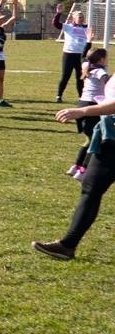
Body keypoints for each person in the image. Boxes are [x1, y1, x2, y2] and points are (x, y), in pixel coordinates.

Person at [33, 71, 115, 260]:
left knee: (91, 189)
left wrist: (82, 111)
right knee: (90, 188)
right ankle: (67, 245)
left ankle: (67, 245)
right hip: (109, 137)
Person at [67, 47, 108, 179]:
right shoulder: (99, 71)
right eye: (107, 57)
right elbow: (107, 80)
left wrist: (88, 42)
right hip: (92, 106)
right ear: (101, 59)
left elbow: (83, 57)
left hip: (81, 105)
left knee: (89, 139)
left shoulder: (86, 65)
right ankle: (83, 170)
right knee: (95, 141)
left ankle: (75, 167)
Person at [56, 3, 90, 103]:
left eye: (82, 17)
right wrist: (58, 13)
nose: (80, 18)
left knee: (80, 77)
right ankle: (59, 95)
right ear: (74, 18)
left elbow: (89, 40)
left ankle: (81, 97)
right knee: (65, 76)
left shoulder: (86, 28)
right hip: (69, 54)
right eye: (79, 17)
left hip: (81, 55)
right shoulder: (68, 27)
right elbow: (56, 24)